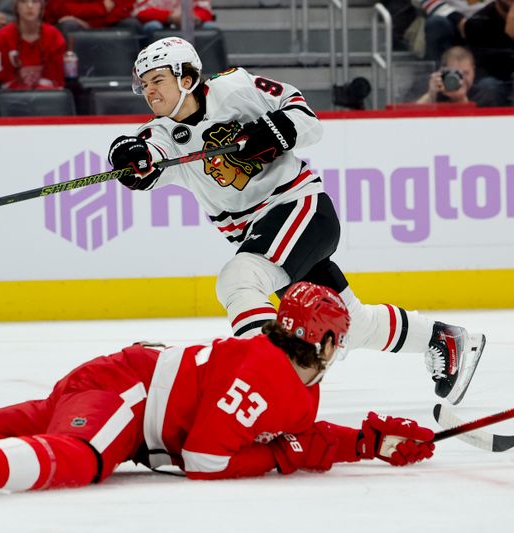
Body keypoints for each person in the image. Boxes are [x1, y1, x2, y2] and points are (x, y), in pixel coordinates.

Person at [0, 282, 435, 504]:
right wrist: (293, 455)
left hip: (118, 384)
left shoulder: (289, 380)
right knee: (80, 452)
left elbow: (289, 435)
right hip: (126, 397)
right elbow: (210, 459)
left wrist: (369, 442)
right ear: (324, 340)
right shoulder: (266, 371)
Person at [107, 37, 486, 407]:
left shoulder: (235, 87)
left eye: (157, 80)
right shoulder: (161, 136)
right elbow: (145, 162)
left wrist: (276, 131)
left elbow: (306, 118)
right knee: (350, 325)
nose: (150, 92)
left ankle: (264, 379)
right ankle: (442, 339)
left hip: (298, 208)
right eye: (144, 85)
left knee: (240, 279)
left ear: (186, 78)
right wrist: (128, 158)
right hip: (262, 233)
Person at [0, 0, 65, 90]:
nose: (29, 6)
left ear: (42, 7)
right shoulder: (2, 37)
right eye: (23, 1)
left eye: (35, 1)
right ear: (16, 7)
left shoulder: (54, 36)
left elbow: (56, 80)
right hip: (13, 98)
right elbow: (3, 80)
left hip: (47, 97)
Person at [415, 45, 507, 106]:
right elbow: (409, 118)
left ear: (474, 71)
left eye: (466, 73)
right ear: (442, 71)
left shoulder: (485, 93)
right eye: (456, 73)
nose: (461, 79)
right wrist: (431, 95)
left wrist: (460, 99)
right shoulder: (436, 90)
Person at [414, 0, 491, 61]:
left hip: (490, 16)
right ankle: (439, 74)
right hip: (449, 19)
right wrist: (457, 19)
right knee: (436, 24)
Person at [464, 0, 514, 90]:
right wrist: (510, 38)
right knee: (488, 86)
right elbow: (489, 68)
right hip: (498, 86)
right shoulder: (477, 22)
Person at [133, 0, 216, 43]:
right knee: (153, 26)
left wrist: (192, 17)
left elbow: (206, 11)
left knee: (210, 27)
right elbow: (140, 12)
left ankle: (208, 65)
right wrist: (169, 16)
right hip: (161, 23)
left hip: (191, 22)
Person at [44, 0, 141, 36]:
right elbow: (62, 8)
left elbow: (125, 7)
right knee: (68, 25)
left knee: (132, 24)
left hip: (108, 23)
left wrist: (91, 24)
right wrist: (101, 8)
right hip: (77, 24)